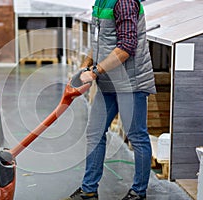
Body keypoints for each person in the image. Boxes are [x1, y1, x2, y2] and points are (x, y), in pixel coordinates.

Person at [63, 0, 156, 200]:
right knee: (95, 132)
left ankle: (139, 192)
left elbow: (126, 47)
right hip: (109, 81)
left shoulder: (124, 2)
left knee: (137, 136)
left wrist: (96, 71)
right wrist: (85, 67)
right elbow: (101, 42)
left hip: (131, 82)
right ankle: (89, 190)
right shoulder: (101, 1)